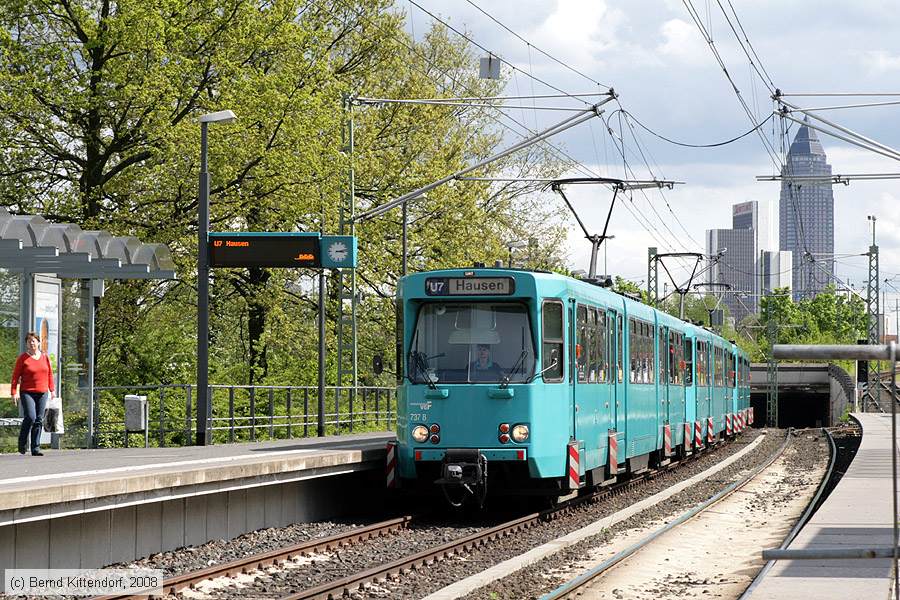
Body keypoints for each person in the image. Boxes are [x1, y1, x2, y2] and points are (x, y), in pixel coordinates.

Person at [11, 332, 55, 456]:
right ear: (26, 344)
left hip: (42, 392)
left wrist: (52, 390)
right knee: (31, 417)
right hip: (27, 392)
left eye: (33, 341)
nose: (31, 343)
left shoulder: (44, 357)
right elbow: (15, 377)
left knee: (39, 420)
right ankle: (22, 441)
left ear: (38, 343)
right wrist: (14, 392)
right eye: (29, 341)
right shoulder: (23, 358)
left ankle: (35, 447)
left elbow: (49, 374)